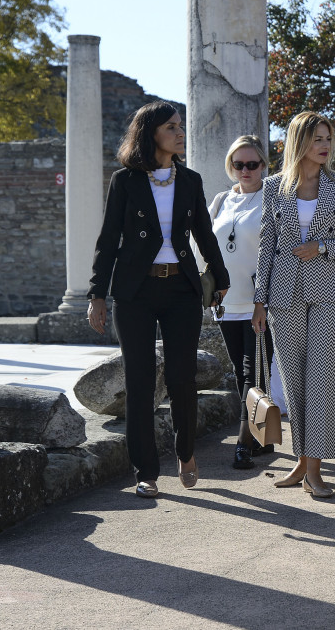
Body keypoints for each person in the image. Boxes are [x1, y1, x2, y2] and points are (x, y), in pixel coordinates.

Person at [87, 101, 229, 499]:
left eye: (181, 125)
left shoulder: (190, 180)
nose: (180, 132)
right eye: (172, 126)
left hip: (181, 290)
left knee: (183, 377)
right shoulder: (125, 181)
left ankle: (185, 453)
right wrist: (97, 293)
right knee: (139, 380)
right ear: (151, 132)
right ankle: (145, 471)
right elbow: (107, 239)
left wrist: (220, 275)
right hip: (135, 292)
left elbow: (204, 233)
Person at [252, 111, 335, 499]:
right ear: (300, 141)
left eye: (328, 138)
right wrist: (259, 300)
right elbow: (267, 245)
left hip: (329, 290)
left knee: (324, 381)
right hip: (283, 293)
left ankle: (316, 468)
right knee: (295, 381)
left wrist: (323, 247)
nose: (325, 145)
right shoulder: (273, 187)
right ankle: (301, 460)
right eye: (318, 138)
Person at [207, 135, 274, 469]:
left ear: (263, 164)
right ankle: (264, 436)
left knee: (254, 371)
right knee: (241, 371)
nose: (245, 170)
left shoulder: (272, 198)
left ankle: (244, 442)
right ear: (230, 166)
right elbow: (203, 247)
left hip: (260, 302)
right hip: (225, 302)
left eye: (252, 164)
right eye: (239, 164)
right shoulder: (220, 201)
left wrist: (263, 298)